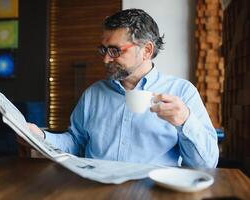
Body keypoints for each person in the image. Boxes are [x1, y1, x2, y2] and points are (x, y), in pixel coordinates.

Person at [29, 8, 219, 168]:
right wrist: (41, 136)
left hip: (152, 193)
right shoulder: (93, 94)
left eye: (115, 50)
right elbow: (75, 144)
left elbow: (206, 165)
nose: (105, 59)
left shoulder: (182, 92)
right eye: (104, 49)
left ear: (146, 50)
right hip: (95, 191)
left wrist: (185, 121)